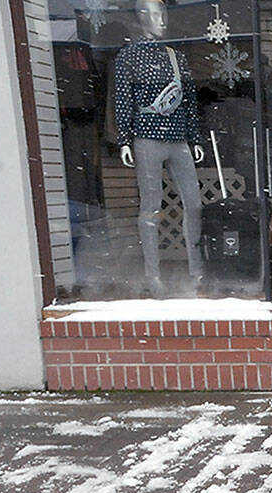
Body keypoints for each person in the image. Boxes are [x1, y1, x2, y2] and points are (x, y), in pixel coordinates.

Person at [113, 0, 205, 295]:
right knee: (151, 208)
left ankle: (197, 269)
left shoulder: (176, 57)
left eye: (163, 13)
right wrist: (125, 139)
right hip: (147, 136)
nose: (161, 20)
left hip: (177, 137)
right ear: (141, 18)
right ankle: (152, 274)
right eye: (153, 14)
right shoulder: (128, 57)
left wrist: (195, 138)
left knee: (193, 203)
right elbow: (124, 100)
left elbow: (189, 102)